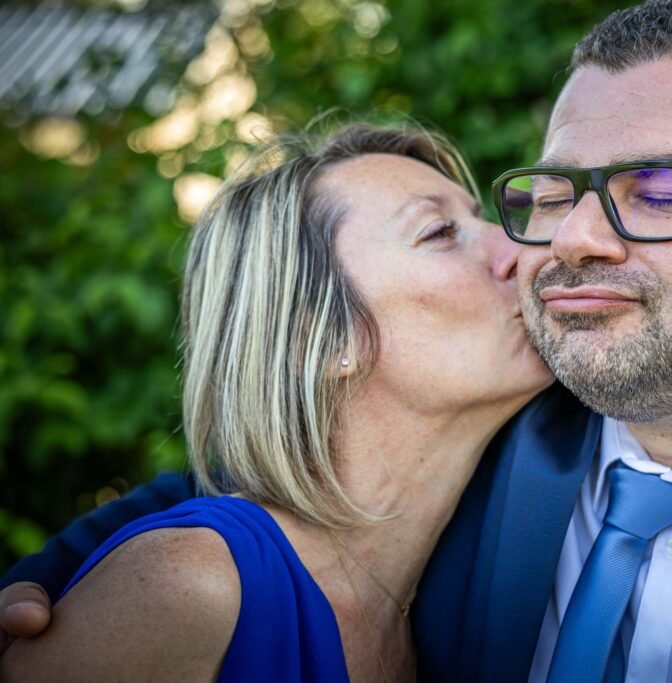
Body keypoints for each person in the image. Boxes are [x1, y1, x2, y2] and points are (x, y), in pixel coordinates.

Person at [3, 1, 672, 681]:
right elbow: (241, 500)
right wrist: (57, 574)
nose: (564, 241)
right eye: (561, 190)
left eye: (658, 191)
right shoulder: (490, 449)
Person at [0, 122, 554, 681]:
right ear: (322, 336)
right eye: (439, 232)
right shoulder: (191, 589)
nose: (522, 247)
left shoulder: (425, 608)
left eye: (482, 218)